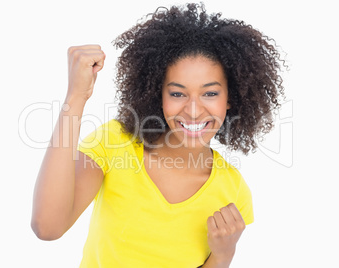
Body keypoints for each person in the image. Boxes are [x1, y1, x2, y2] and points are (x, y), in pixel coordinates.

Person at [31, 3, 285, 267]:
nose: (194, 110)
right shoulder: (115, 143)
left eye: (210, 93)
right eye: (177, 93)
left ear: (230, 98)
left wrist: (223, 255)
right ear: (158, 96)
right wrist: (77, 96)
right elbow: (48, 227)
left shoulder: (234, 190)